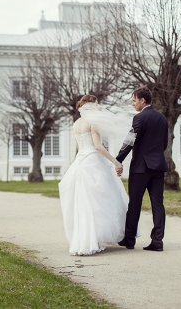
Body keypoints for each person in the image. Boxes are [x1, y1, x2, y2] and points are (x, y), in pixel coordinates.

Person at [59, 95, 131, 256]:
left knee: (84, 202)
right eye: (97, 105)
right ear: (91, 106)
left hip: (81, 162)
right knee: (100, 200)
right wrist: (115, 162)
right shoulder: (92, 123)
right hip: (93, 161)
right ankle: (95, 239)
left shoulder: (76, 124)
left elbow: (79, 147)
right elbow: (98, 146)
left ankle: (86, 240)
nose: (99, 108)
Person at [116, 86, 169, 252]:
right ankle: (157, 241)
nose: (133, 104)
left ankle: (129, 240)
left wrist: (118, 160)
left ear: (142, 100)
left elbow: (129, 141)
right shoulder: (162, 118)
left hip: (140, 168)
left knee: (134, 204)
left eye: (134, 100)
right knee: (158, 205)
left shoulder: (139, 118)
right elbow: (164, 144)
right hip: (158, 167)